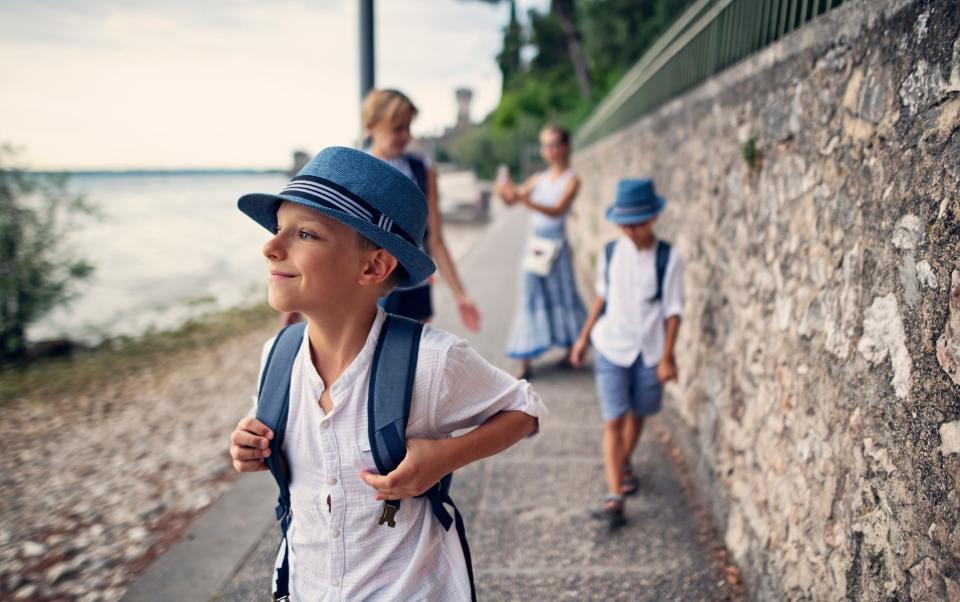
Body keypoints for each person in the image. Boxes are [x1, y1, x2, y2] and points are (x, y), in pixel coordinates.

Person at [229, 147, 545, 599]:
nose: (270, 246)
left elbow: (525, 410)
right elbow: (276, 442)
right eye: (278, 229)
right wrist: (249, 446)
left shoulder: (431, 361)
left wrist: (446, 456)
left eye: (305, 234)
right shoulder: (276, 357)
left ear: (374, 265)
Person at [569, 178, 683, 530]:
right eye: (625, 223)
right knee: (613, 419)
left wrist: (667, 356)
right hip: (611, 346)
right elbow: (602, 298)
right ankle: (615, 494)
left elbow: (673, 311)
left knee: (638, 414)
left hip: (649, 351)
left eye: (638, 222)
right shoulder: (610, 253)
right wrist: (583, 338)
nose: (631, 230)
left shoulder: (667, 258)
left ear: (652, 218)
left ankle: (624, 462)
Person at [362, 88, 481, 331]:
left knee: (411, 363)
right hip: (371, 290)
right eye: (397, 128)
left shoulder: (422, 169)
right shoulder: (356, 170)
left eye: (408, 127)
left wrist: (461, 295)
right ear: (371, 125)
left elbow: (435, 240)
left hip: (416, 286)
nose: (405, 136)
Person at [495, 124, 587, 380]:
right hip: (536, 245)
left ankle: (572, 350)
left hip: (556, 245)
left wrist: (524, 199)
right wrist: (504, 191)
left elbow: (557, 210)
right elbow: (514, 200)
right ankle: (524, 361)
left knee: (564, 294)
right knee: (530, 296)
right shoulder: (540, 178)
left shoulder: (572, 179)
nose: (548, 150)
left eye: (553, 144)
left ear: (565, 147)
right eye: (545, 145)